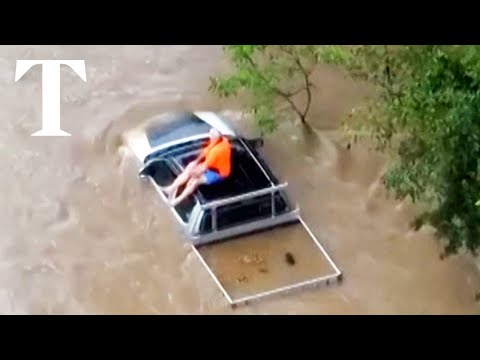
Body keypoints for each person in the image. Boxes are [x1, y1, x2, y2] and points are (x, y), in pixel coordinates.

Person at [161, 128, 232, 207]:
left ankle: (176, 201)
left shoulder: (217, 151)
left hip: (218, 173)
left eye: (211, 136)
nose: (210, 137)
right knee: (189, 168)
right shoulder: (220, 140)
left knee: (194, 181)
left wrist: (191, 174)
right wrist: (195, 162)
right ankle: (171, 188)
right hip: (211, 166)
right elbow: (206, 151)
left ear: (216, 137)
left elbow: (203, 168)